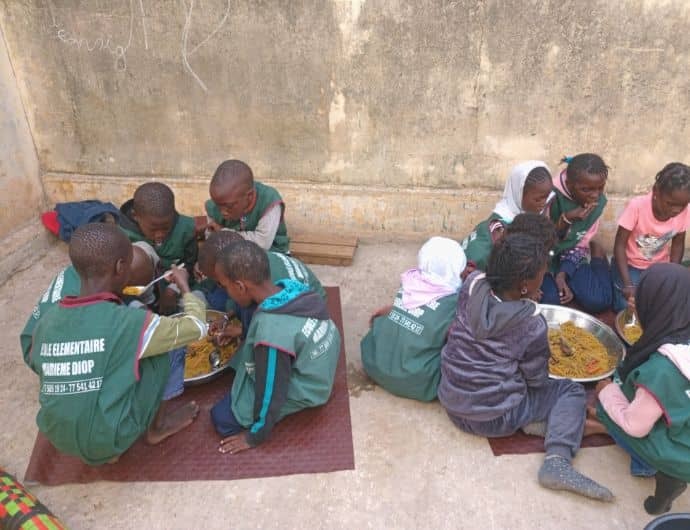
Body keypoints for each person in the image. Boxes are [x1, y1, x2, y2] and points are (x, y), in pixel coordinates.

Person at [438, 233, 613, 502]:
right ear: (524, 286)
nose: (543, 281)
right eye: (541, 276)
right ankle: (557, 461)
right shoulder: (531, 324)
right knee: (569, 391)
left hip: (452, 401)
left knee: (510, 376)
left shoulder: (472, 285)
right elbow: (537, 380)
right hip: (494, 417)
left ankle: (539, 423)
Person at [25, 223, 207, 465]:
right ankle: (157, 427)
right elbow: (197, 327)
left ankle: (105, 441)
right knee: (167, 347)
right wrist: (183, 285)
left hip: (58, 435)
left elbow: (39, 361)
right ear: (121, 267)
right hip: (107, 438)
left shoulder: (48, 321)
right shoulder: (129, 322)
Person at [209, 240, 340, 454]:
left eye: (225, 286)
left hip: (311, 386)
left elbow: (272, 391)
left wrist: (254, 436)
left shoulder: (271, 334)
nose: (226, 292)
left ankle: (269, 419)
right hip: (321, 361)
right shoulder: (289, 286)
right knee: (248, 315)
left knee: (221, 419)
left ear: (240, 286)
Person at [597, 263, 690, 515]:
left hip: (683, 455)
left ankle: (656, 469)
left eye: (642, 298)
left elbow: (634, 426)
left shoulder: (662, 370)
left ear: (656, 308)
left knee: (609, 405)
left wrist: (606, 391)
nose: (634, 302)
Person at [360, 237, 467, 402]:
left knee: (392, 325)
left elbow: (416, 312)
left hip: (374, 365)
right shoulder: (455, 302)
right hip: (419, 382)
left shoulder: (409, 281)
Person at [20, 241, 159, 361]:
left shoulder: (86, 270)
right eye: (133, 290)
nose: (135, 293)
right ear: (119, 270)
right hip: (40, 351)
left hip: (42, 336)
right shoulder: (93, 310)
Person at [196, 230, 326, 341]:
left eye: (220, 282)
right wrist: (226, 317)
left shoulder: (267, 297)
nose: (220, 286)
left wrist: (244, 332)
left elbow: (271, 334)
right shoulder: (254, 263)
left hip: (310, 319)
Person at [611, 163, 690, 312]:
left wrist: (673, 276)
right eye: (670, 203)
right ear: (656, 191)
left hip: (658, 267)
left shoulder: (684, 212)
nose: (676, 210)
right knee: (626, 306)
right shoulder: (637, 206)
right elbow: (620, 245)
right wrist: (628, 284)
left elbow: (678, 244)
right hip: (630, 265)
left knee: (666, 304)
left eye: (683, 205)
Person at [542, 153, 612, 313]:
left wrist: (564, 273)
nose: (595, 195)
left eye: (600, 188)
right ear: (569, 184)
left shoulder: (598, 202)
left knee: (599, 301)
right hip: (545, 255)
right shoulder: (549, 196)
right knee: (551, 303)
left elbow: (581, 241)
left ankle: (598, 258)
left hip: (571, 253)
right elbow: (541, 242)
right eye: (586, 189)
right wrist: (566, 219)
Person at [120, 182, 199, 313]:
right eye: (153, 229)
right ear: (135, 216)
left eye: (166, 228)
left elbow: (189, 265)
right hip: (136, 295)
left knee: (197, 304)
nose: (160, 235)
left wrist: (173, 289)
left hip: (176, 290)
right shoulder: (121, 234)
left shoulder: (185, 229)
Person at [461, 161, 553, 270]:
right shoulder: (499, 230)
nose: (543, 203)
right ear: (519, 194)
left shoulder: (532, 218)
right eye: (538, 199)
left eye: (547, 197)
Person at [205, 159, 290, 254]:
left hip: (272, 253)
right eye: (218, 205)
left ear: (249, 196)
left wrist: (224, 233)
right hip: (233, 254)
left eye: (229, 206)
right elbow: (212, 239)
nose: (223, 212)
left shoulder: (269, 200)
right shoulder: (214, 205)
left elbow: (263, 243)